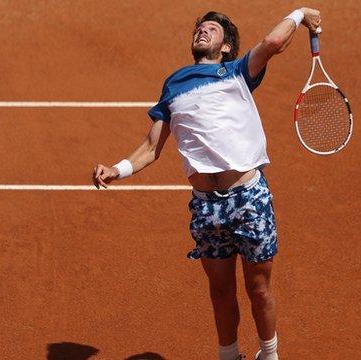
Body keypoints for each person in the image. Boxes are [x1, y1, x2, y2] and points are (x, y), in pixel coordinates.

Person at [92, 8, 321, 360]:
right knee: (220, 292)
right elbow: (152, 147)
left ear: (226, 46)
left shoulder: (238, 71)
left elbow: (274, 41)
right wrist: (117, 169)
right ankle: (228, 356)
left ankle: (269, 354)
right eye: (199, 28)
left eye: (211, 29)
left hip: (249, 198)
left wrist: (302, 12)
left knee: (258, 289)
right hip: (206, 206)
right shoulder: (174, 83)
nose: (202, 31)